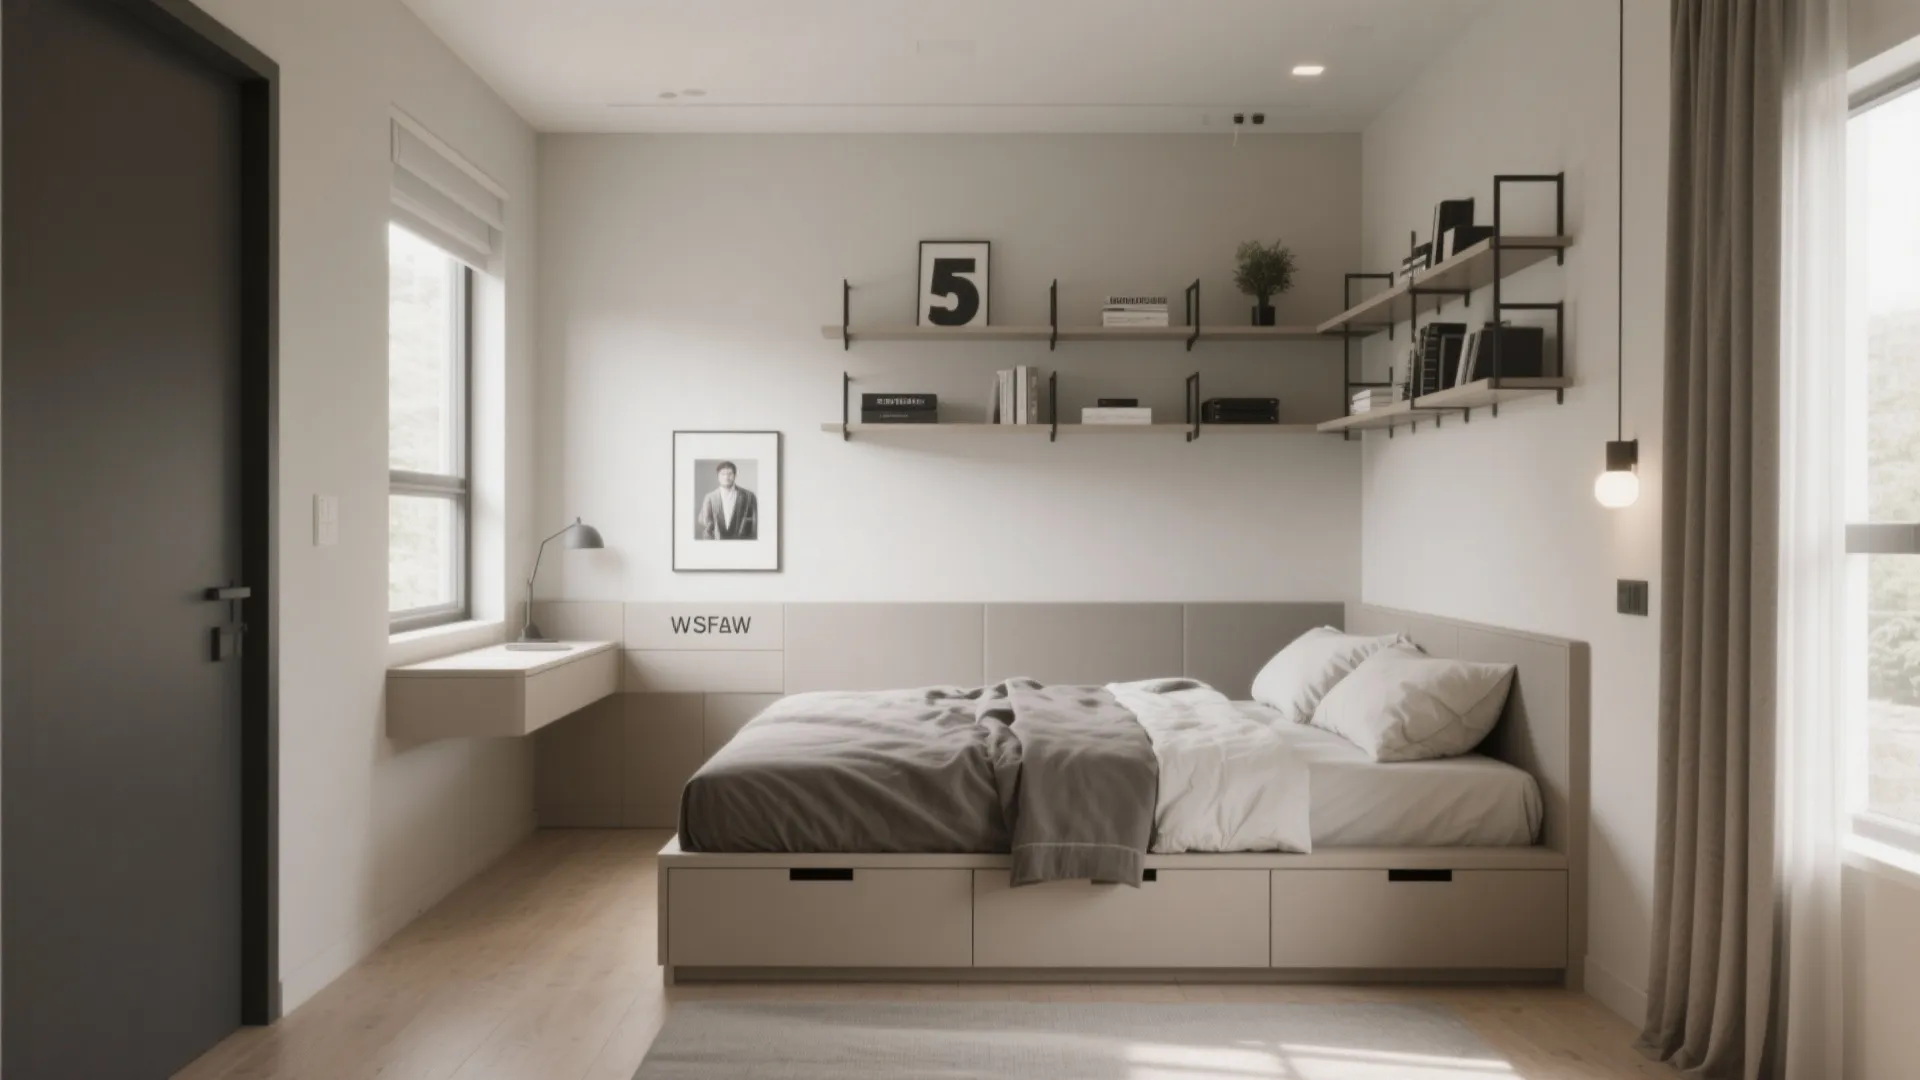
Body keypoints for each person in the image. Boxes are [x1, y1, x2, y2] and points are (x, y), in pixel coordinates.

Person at [696, 460, 757, 540]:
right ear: (718, 476)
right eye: (723, 474)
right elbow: (706, 524)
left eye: (730, 474)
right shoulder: (710, 497)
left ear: (735, 475)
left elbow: (755, 524)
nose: (726, 477)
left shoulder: (749, 496)